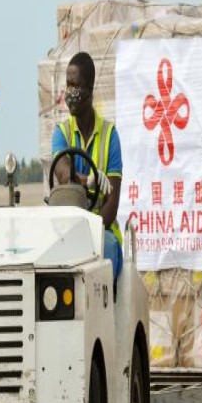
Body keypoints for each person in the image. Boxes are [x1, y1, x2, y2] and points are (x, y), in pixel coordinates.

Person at [52, 52, 124, 278]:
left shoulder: (110, 135)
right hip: (67, 229)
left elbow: (112, 205)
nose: (69, 93)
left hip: (102, 229)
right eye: (67, 85)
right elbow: (64, 175)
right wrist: (89, 180)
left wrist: (92, 230)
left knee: (109, 248)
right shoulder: (60, 133)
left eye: (75, 85)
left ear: (90, 90)